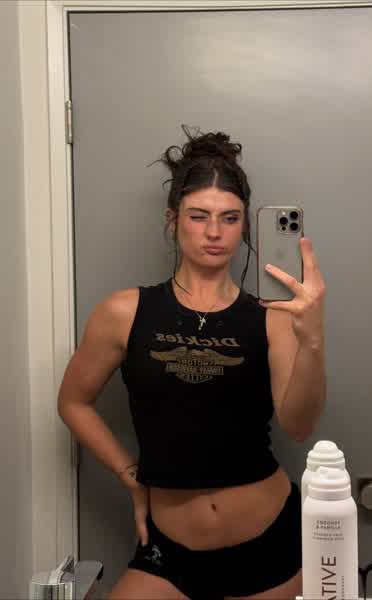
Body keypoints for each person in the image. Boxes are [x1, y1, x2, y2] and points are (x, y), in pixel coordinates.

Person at [57, 125, 327, 600]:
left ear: (245, 226)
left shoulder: (273, 318)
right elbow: (73, 402)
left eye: (230, 218)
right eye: (198, 216)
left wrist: (313, 340)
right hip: (170, 553)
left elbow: (299, 426)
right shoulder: (124, 312)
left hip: (270, 547)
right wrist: (132, 479)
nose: (214, 232)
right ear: (173, 219)